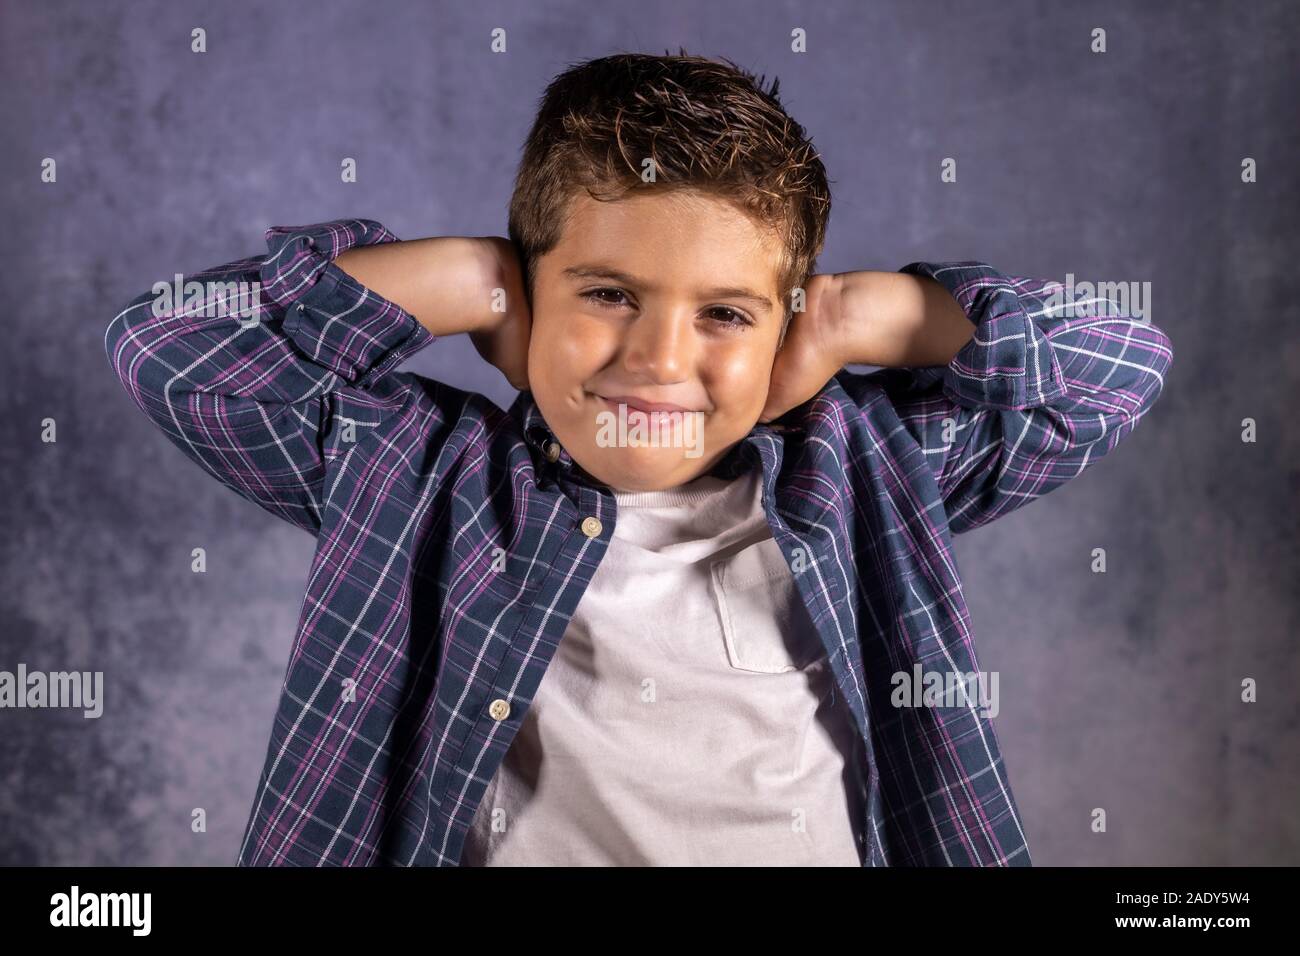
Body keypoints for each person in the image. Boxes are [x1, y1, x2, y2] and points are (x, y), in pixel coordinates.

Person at [103, 51, 1172, 866]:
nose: (658, 358)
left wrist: (857, 313)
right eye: (607, 294)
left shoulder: (864, 472)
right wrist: (470, 277)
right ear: (530, 296)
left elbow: (1113, 366)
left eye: (723, 313)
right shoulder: (419, 472)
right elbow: (173, 349)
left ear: (782, 330)